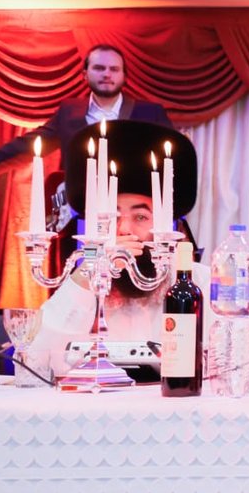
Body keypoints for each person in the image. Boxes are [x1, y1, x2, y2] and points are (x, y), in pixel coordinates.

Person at [35, 120, 205, 376]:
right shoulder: (83, 280)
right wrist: (89, 271)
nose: (124, 229)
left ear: (165, 224)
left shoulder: (199, 281)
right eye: (112, 217)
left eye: (140, 217)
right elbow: (36, 360)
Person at [0, 44, 173, 180]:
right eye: (99, 68)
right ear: (85, 74)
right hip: (80, 207)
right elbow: (27, 145)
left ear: (124, 76)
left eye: (114, 69)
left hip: (134, 210)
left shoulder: (150, 114)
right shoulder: (69, 112)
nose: (107, 74)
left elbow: (173, 159)